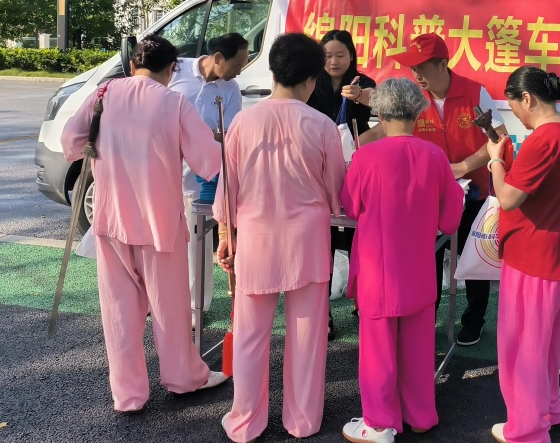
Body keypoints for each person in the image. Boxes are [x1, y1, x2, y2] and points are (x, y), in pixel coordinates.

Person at [61, 34, 227, 413]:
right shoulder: (174, 102)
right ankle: (183, 378)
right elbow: (208, 161)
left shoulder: (103, 94)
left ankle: (128, 395)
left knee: (118, 312)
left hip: (111, 219)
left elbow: (71, 141)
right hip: (159, 223)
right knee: (170, 309)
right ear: (172, 69)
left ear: (133, 65)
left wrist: (104, 150)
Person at [214, 33, 346, 442]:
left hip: (255, 242)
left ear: (273, 72)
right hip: (307, 243)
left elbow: (227, 190)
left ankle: (245, 422)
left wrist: (225, 233)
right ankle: (302, 421)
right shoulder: (322, 125)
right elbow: (336, 194)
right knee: (307, 338)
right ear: (311, 79)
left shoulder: (242, 122)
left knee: (250, 337)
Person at [359, 32, 507, 347]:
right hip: (429, 195)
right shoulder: (414, 97)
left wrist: (464, 166)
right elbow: (384, 129)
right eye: (413, 68)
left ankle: (474, 320)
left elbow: (497, 138)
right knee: (430, 257)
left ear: (443, 64)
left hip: (474, 192)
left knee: (473, 258)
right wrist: (350, 144)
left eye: (422, 68)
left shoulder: (474, 93)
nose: (416, 75)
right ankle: (429, 316)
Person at [339, 78, 464, 443]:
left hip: (377, 270)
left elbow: (351, 206)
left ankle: (379, 423)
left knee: (378, 352)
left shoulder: (365, 156)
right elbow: (450, 220)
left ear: (379, 113)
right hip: (419, 270)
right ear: (417, 112)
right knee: (419, 350)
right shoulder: (435, 156)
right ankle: (421, 415)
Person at [485, 66, 560, 443]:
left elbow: (508, 197)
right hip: (558, 256)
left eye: (514, 107)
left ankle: (526, 429)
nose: (517, 116)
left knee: (522, 348)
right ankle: (547, 410)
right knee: (544, 346)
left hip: (534, 257)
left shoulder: (543, 139)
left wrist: (495, 160)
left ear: (526, 99)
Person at [168, 32, 249, 316]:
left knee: (197, 242)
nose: (239, 71)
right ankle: (160, 298)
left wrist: (203, 136)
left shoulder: (230, 89)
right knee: (164, 241)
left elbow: (231, 133)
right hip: (164, 172)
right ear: (218, 58)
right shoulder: (176, 70)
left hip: (201, 178)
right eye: (237, 64)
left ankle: (196, 306)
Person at [306, 29, 377, 339]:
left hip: (356, 170)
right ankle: (324, 313)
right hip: (319, 170)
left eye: (340, 55)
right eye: (327, 55)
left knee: (358, 239)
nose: (333, 61)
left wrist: (359, 95)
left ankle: (363, 305)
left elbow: (383, 106)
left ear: (351, 56)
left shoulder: (364, 82)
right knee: (323, 243)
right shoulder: (310, 83)